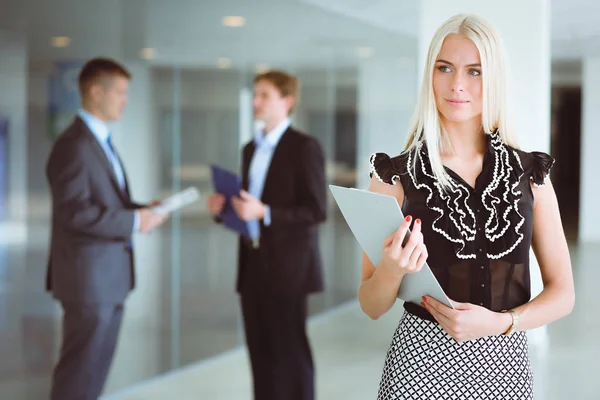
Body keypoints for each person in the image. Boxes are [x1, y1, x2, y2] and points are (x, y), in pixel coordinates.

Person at [359, 14, 575, 399]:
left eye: (474, 71)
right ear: (431, 74)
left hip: (505, 371)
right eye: (445, 68)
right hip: (418, 372)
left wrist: (503, 323)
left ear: (494, 79)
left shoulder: (531, 176)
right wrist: (391, 270)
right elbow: (371, 305)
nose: (457, 84)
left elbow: (564, 294)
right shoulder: (393, 176)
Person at [45, 57, 168, 400]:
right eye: (120, 93)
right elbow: (74, 213)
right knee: (79, 372)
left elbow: (101, 202)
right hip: (89, 282)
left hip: (107, 279)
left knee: (93, 372)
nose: (126, 101)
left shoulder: (99, 142)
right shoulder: (74, 145)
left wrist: (141, 211)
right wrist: (133, 222)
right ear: (96, 92)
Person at [207, 70, 327, 400]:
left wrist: (266, 212)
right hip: (252, 265)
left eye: (264, 96)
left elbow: (317, 211)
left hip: (288, 269)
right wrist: (224, 210)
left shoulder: (304, 147)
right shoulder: (250, 149)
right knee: (260, 354)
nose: (256, 102)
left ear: (287, 102)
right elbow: (248, 208)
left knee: (290, 353)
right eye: (255, 95)